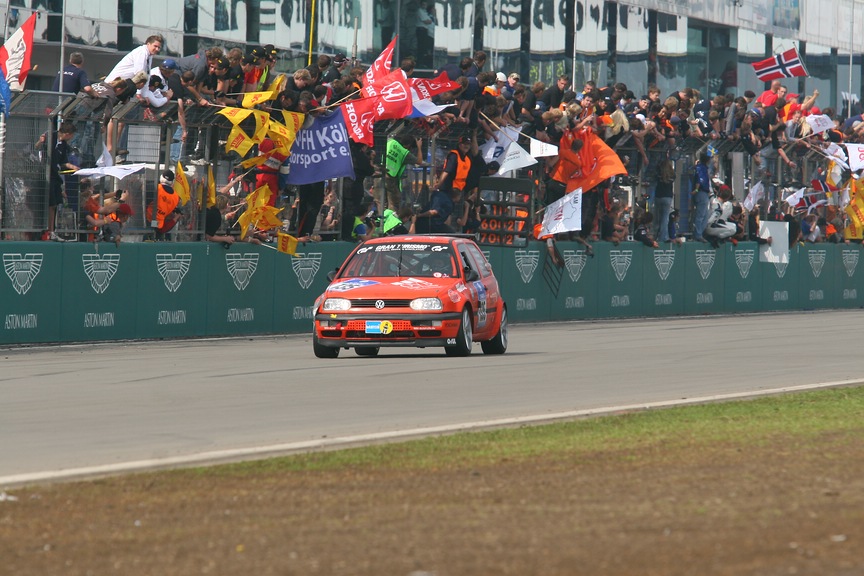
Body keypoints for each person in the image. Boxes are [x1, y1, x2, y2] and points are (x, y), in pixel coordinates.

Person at [45, 121, 79, 241]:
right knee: (49, 204)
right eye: (72, 135)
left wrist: (73, 167)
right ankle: (48, 231)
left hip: (55, 177)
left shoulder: (64, 145)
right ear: (67, 134)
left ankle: (52, 230)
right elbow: (38, 147)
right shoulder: (50, 136)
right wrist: (40, 142)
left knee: (54, 204)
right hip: (45, 175)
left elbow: (63, 162)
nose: (72, 138)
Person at [384, 133, 422, 210]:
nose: (410, 150)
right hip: (390, 178)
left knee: (380, 202)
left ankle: (379, 220)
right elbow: (419, 161)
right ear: (408, 145)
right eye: (411, 148)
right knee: (394, 203)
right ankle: (391, 221)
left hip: (378, 174)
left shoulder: (391, 142)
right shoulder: (404, 152)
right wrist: (419, 147)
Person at [147, 169, 182, 240]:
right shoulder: (176, 197)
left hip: (147, 220)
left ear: (161, 178)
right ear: (172, 182)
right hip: (160, 224)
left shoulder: (156, 188)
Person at [691, 152, 711, 242]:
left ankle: (699, 233)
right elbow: (700, 179)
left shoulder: (702, 167)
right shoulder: (701, 168)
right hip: (701, 192)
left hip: (704, 193)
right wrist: (696, 189)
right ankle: (698, 235)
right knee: (701, 215)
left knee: (705, 215)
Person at [654, 159, 675, 242]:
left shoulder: (659, 174)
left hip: (658, 196)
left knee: (657, 217)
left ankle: (656, 234)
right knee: (665, 218)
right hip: (667, 197)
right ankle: (663, 237)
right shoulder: (672, 175)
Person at [416, 1, 436, 69]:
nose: (425, 6)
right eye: (424, 4)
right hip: (422, 30)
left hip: (426, 31)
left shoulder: (424, 12)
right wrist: (428, 21)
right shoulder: (420, 11)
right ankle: (420, 64)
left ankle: (423, 63)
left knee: (424, 48)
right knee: (422, 48)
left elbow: (429, 21)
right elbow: (427, 21)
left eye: (426, 4)